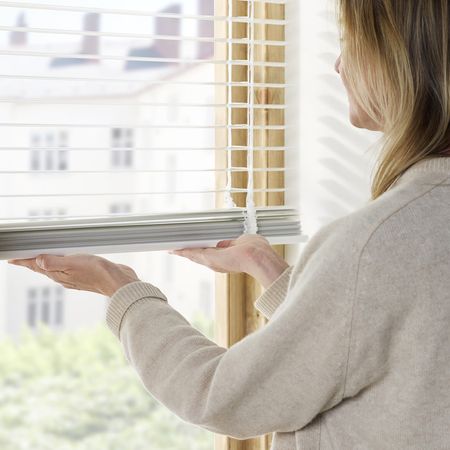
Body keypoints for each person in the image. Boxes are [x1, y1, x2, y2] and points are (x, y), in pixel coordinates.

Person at [9, 0, 450, 448]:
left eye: (350, 41)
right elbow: (371, 337)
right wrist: (267, 267)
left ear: (400, 57)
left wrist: (119, 287)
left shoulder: (374, 244)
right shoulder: (413, 232)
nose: (338, 64)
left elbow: (223, 397)